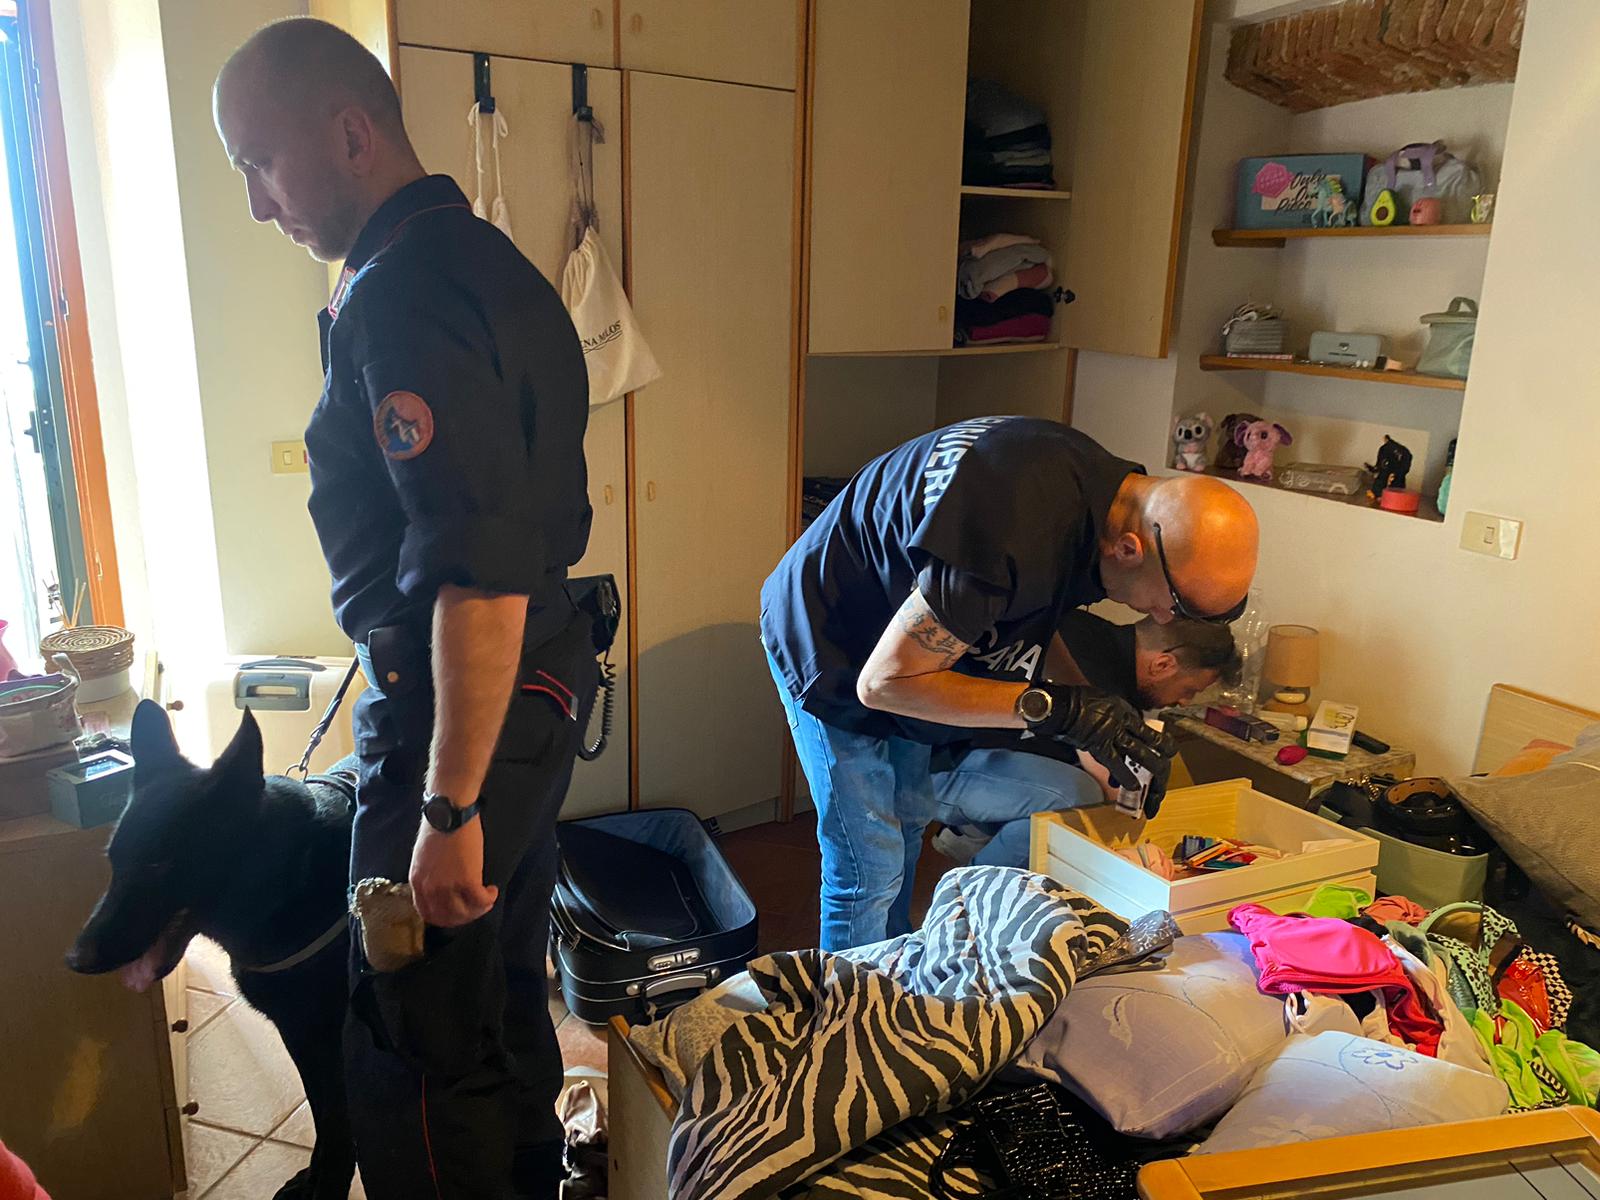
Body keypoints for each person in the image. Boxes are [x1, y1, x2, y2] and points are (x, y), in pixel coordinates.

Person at [215, 20, 594, 1196]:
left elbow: (474, 567)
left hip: (459, 703)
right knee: (501, 986)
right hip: (536, 680)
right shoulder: (482, 261)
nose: (258, 205)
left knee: (414, 1037)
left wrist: (448, 803)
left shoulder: (401, 296)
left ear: (349, 133)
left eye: (259, 162)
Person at [761, 416, 1258, 951]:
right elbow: (883, 685)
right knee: (869, 861)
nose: (1164, 618)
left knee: (909, 818)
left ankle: (891, 964)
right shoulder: (1010, 528)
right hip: (832, 635)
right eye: (1177, 605)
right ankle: (844, 995)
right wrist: (1056, 709)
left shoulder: (1108, 499)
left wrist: (1089, 714)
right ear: (1131, 550)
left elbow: (1038, 610)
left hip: (901, 640)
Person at [930, 612, 1242, 869]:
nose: (1185, 701)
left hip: (980, 755)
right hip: (938, 757)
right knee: (1077, 799)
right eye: (1189, 690)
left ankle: (974, 835)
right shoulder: (1097, 672)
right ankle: (970, 894)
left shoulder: (1083, 629)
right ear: (1163, 664)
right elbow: (1116, 789)